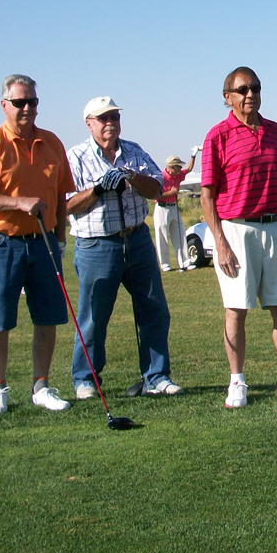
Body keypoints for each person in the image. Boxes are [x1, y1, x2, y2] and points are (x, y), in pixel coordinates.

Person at [0, 74, 75, 417]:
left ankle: (41, 385)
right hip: (0, 243)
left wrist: (59, 241)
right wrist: (18, 203)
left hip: (43, 244)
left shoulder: (51, 142)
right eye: (20, 102)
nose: (27, 109)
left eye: (33, 102)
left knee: (48, 317)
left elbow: (59, 194)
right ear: (4, 105)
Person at [199, 67, 277, 410]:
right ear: (227, 97)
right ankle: (237, 382)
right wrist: (220, 241)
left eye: (255, 88)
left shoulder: (275, 132)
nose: (250, 95)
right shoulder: (218, 136)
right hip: (235, 230)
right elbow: (207, 196)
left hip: (275, 228)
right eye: (242, 89)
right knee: (236, 311)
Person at [65, 97, 182, 398]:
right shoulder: (75, 157)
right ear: (89, 123)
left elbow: (157, 187)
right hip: (96, 245)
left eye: (114, 116)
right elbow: (67, 204)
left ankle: (156, 376)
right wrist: (97, 189)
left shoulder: (133, 151)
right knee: (94, 315)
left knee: (154, 309)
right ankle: (86, 379)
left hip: (137, 239)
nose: (110, 123)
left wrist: (131, 177)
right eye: (102, 118)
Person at [154, 149, 198, 272]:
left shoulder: (178, 175)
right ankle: (164, 264)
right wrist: (170, 193)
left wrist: (193, 156)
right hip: (162, 208)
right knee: (162, 236)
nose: (180, 169)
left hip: (174, 207)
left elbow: (188, 169)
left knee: (180, 234)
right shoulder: (160, 176)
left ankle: (185, 262)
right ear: (171, 167)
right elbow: (155, 195)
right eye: (178, 166)